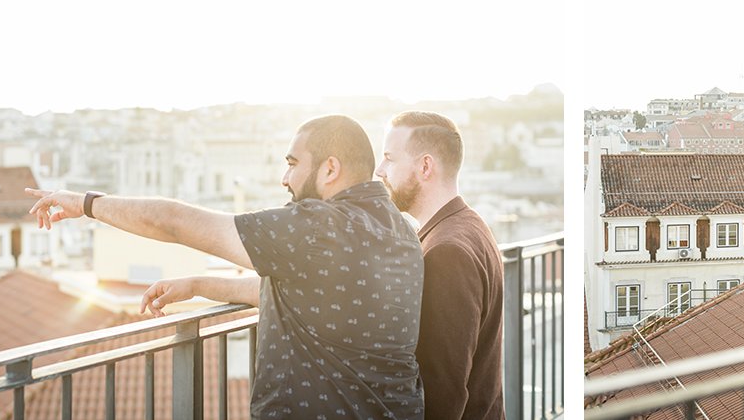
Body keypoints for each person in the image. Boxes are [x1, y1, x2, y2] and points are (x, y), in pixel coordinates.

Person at [27, 115, 426, 419]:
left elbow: (174, 222)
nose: (284, 178)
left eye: (292, 163)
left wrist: (86, 204)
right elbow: (315, 296)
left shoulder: (318, 227)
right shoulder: (401, 231)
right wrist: (202, 284)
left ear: (330, 169)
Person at [376, 111, 504, 420]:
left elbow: (442, 393)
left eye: (390, 159)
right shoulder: (469, 224)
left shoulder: (446, 252)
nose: (380, 170)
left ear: (424, 166)